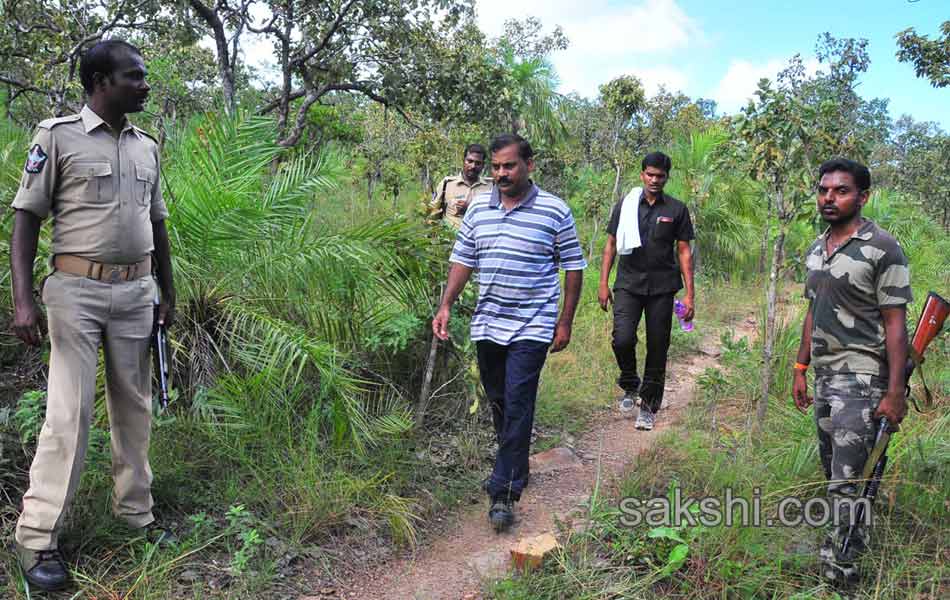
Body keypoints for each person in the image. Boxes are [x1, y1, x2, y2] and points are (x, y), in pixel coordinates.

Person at [9, 40, 176, 591]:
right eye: (135, 76)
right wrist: (23, 300)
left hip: (137, 292)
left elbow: (157, 226)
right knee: (69, 414)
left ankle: (136, 514)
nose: (145, 85)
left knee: (135, 407)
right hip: (75, 293)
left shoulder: (146, 146)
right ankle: (37, 538)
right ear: (101, 81)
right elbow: (26, 220)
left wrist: (166, 292)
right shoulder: (57, 137)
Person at [431, 134, 586, 532]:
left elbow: (573, 267)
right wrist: (447, 304)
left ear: (528, 165)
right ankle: (516, 461)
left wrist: (564, 320)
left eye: (508, 166)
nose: (500, 173)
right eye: (496, 167)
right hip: (488, 323)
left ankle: (503, 491)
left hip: (533, 324)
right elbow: (463, 259)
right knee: (499, 401)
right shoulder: (479, 209)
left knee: (518, 400)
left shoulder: (555, 211)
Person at [791, 158, 911, 586]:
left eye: (840, 191)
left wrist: (895, 392)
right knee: (836, 477)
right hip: (825, 376)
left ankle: (840, 575)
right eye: (824, 190)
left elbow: (896, 323)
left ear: (863, 196)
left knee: (850, 484)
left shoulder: (882, 247)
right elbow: (812, 310)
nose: (829, 197)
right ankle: (838, 557)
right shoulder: (815, 247)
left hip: (862, 379)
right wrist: (801, 366)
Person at [598, 152, 694, 431]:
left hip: (663, 288)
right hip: (628, 283)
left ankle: (649, 406)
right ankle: (630, 384)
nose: (654, 180)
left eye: (660, 176)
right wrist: (603, 284)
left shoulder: (677, 209)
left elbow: (684, 251)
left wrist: (690, 294)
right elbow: (611, 245)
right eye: (650, 174)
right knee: (622, 339)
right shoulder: (626, 205)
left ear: (667, 177)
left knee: (658, 346)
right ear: (642, 175)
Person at [427, 143, 492, 229]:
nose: (473, 166)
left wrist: (470, 209)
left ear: (483, 165)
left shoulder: (491, 186)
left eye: (478, 163)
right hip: (450, 239)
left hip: (480, 238)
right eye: (470, 161)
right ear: (463, 161)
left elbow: (496, 215)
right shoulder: (447, 184)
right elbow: (433, 212)